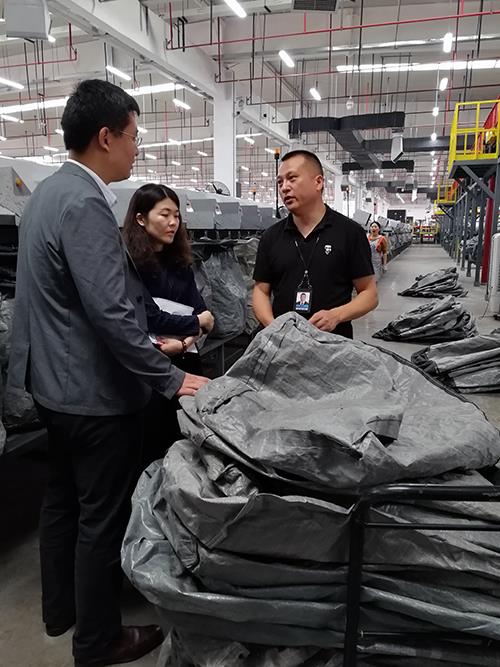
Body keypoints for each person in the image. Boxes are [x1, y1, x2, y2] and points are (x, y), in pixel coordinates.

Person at [7, 79, 208, 667]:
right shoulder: (87, 204)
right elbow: (112, 315)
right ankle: (97, 640)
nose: (137, 148)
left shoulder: (44, 195)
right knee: (101, 516)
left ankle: (60, 610)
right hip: (92, 395)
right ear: (105, 137)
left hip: (51, 387)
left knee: (61, 501)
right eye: (133, 136)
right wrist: (170, 379)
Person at [123, 183, 215, 462]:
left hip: (186, 358)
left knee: (189, 441)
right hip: (153, 365)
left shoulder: (180, 262)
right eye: (164, 215)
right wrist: (195, 323)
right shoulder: (130, 264)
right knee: (153, 444)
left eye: (176, 215)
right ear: (141, 218)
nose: (173, 222)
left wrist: (185, 341)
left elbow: (204, 315)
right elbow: (151, 316)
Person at [252, 150, 378, 338]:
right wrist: (274, 328)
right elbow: (260, 291)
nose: (284, 187)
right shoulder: (271, 237)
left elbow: (369, 294)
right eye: (280, 182)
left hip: (332, 345)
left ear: (318, 182)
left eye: (292, 178)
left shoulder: (349, 233)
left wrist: (336, 315)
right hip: (282, 345)